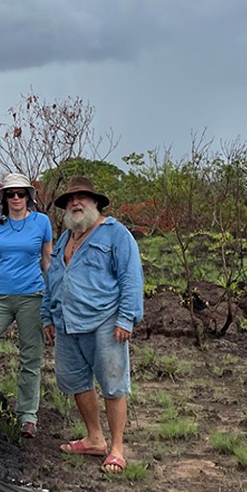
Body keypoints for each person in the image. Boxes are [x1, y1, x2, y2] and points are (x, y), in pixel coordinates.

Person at [40, 176, 143, 474]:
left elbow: (131, 277)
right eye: (70, 199)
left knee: (112, 384)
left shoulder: (115, 234)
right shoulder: (65, 239)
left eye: (82, 197)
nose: (75, 203)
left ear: (95, 202)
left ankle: (117, 448)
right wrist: (48, 315)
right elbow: (53, 281)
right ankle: (94, 438)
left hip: (106, 321)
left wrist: (126, 318)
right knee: (76, 382)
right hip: (68, 323)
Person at [0, 172, 53, 438]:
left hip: (32, 297)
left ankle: (27, 416)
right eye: (11, 193)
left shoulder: (42, 222)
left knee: (31, 357)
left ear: (29, 196)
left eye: (21, 193)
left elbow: (47, 261)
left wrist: (53, 298)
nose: (16, 198)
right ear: (4, 198)